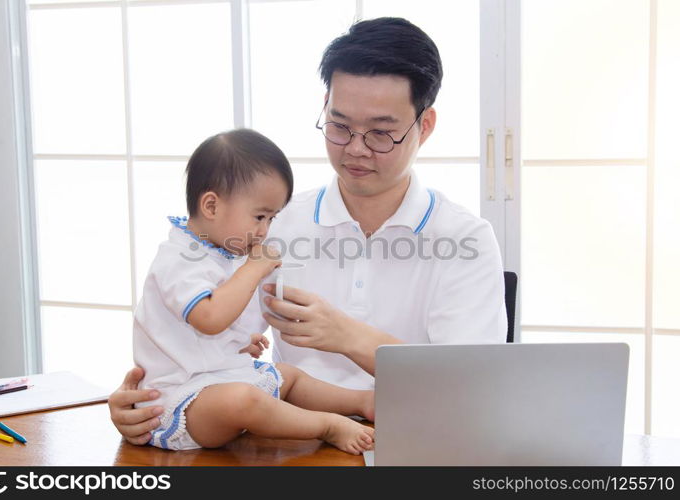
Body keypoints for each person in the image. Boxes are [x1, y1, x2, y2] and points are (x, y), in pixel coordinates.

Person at [109, 17, 506, 445]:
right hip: (285, 440)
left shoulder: (466, 240)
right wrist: (143, 400)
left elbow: (472, 389)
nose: (355, 148)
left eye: (380, 133)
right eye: (339, 125)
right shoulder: (272, 222)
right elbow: (199, 326)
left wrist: (349, 336)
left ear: (424, 126)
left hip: (423, 439)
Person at [131, 128, 374, 454]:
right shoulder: (178, 257)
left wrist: (238, 342)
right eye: (259, 216)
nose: (264, 231)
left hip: (215, 380)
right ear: (211, 206)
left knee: (289, 375)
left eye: (272, 218)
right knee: (243, 400)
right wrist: (253, 268)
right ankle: (327, 425)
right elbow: (210, 317)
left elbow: (202, 329)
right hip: (180, 400)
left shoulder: (217, 251)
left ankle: (362, 401)